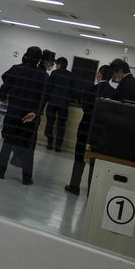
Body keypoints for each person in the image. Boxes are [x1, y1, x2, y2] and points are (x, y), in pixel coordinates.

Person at [0, 46, 48, 185]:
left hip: (14, 113)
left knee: (7, 143)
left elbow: (5, 84)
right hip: (31, 117)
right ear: (39, 60)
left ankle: (0, 171)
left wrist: (4, 97)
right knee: (28, 148)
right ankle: (26, 177)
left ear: (26, 55)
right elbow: (44, 97)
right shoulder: (43, 75)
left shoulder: (16, 69)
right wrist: (36, 112)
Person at [64, 64, 114, 195]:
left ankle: (74, 185)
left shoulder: (91, 89)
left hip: (86, 128)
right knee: (95, 161)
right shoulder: (114, 94)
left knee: (79, 157)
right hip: (101, 132)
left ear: (99, 75)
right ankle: (92, 190)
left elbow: (85, 107)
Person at [43, 57, 75, 151]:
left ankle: (49, 142)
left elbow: (48, 87)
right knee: (61, 125)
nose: (55, 66)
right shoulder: (71, 76)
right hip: (64, 104)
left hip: (52, 102)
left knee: (50, 123)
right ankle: (58, 145)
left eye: (56, 64)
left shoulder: (54, 73)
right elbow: (74, 91)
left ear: (59, 65)